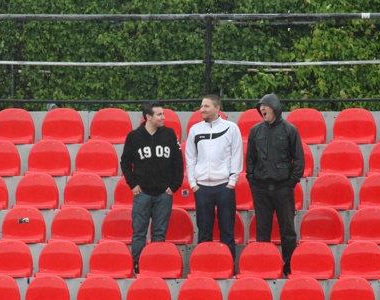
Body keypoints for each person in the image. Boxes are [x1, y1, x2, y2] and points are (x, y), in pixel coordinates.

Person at [120, 101, 184, 274]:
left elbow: (178, 163)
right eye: (159, 114)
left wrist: (174, 186)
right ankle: (138, 265)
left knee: (159, 234)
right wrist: (132, 184)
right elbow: (125, 162)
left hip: (164, 193)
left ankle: (155, 265)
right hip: (143, 194)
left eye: (163, 114)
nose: (164, 117)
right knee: (139, 233)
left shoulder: (170, 135)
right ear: (148, 117)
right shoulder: (134, 136)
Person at [246, 93, 304, 276]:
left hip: (283, 189)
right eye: (260, 107)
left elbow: (299, 159)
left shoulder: (290, 130)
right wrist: (253, 182)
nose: (262, 109)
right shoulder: (255, 131)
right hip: (261, 189)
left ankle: (289, 268)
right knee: (262, 232)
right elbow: (250, 160)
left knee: (288, 231)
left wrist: (291, 183)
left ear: (275, 108)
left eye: (265, 106)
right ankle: (264, 267)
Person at [185, 94, 243, 262]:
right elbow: (190, 157)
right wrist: (193, 184)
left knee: (227, 232)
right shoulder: (195, 130)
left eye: (206, 106)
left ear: (217, 108)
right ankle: (204, 268)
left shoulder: (231, 128)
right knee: (203, 232)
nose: (202, 109)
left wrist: (231, 182)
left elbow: (236, 155)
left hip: (224, 187)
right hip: (202, 188)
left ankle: (228, 267)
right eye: (201, 106)